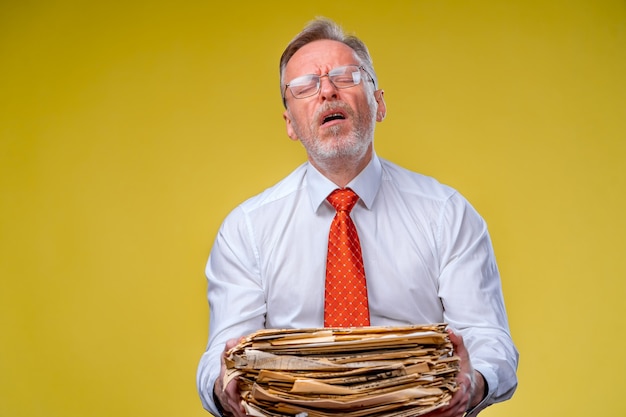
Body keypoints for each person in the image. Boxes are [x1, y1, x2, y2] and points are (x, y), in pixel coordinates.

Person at [197, 17, 518, 417]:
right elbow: (223, 353)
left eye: (345, 77)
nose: (327, 91)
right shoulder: (246, 230)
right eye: (305, 87)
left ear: (379, 103)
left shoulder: (448, 214)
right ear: (290, 124)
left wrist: (474, 383)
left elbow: (489, 339)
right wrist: (223, 385)